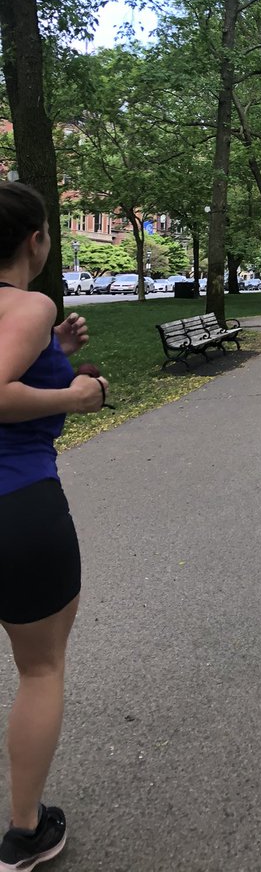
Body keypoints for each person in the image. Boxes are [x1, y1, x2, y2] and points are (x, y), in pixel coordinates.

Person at [0, 183, 109, 871]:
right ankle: (24, 832)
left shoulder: (35, 320)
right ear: (36, 239)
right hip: (19, 507)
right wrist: (75, 392)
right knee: (40, 669)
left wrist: (53, 350)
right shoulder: (30, 301)